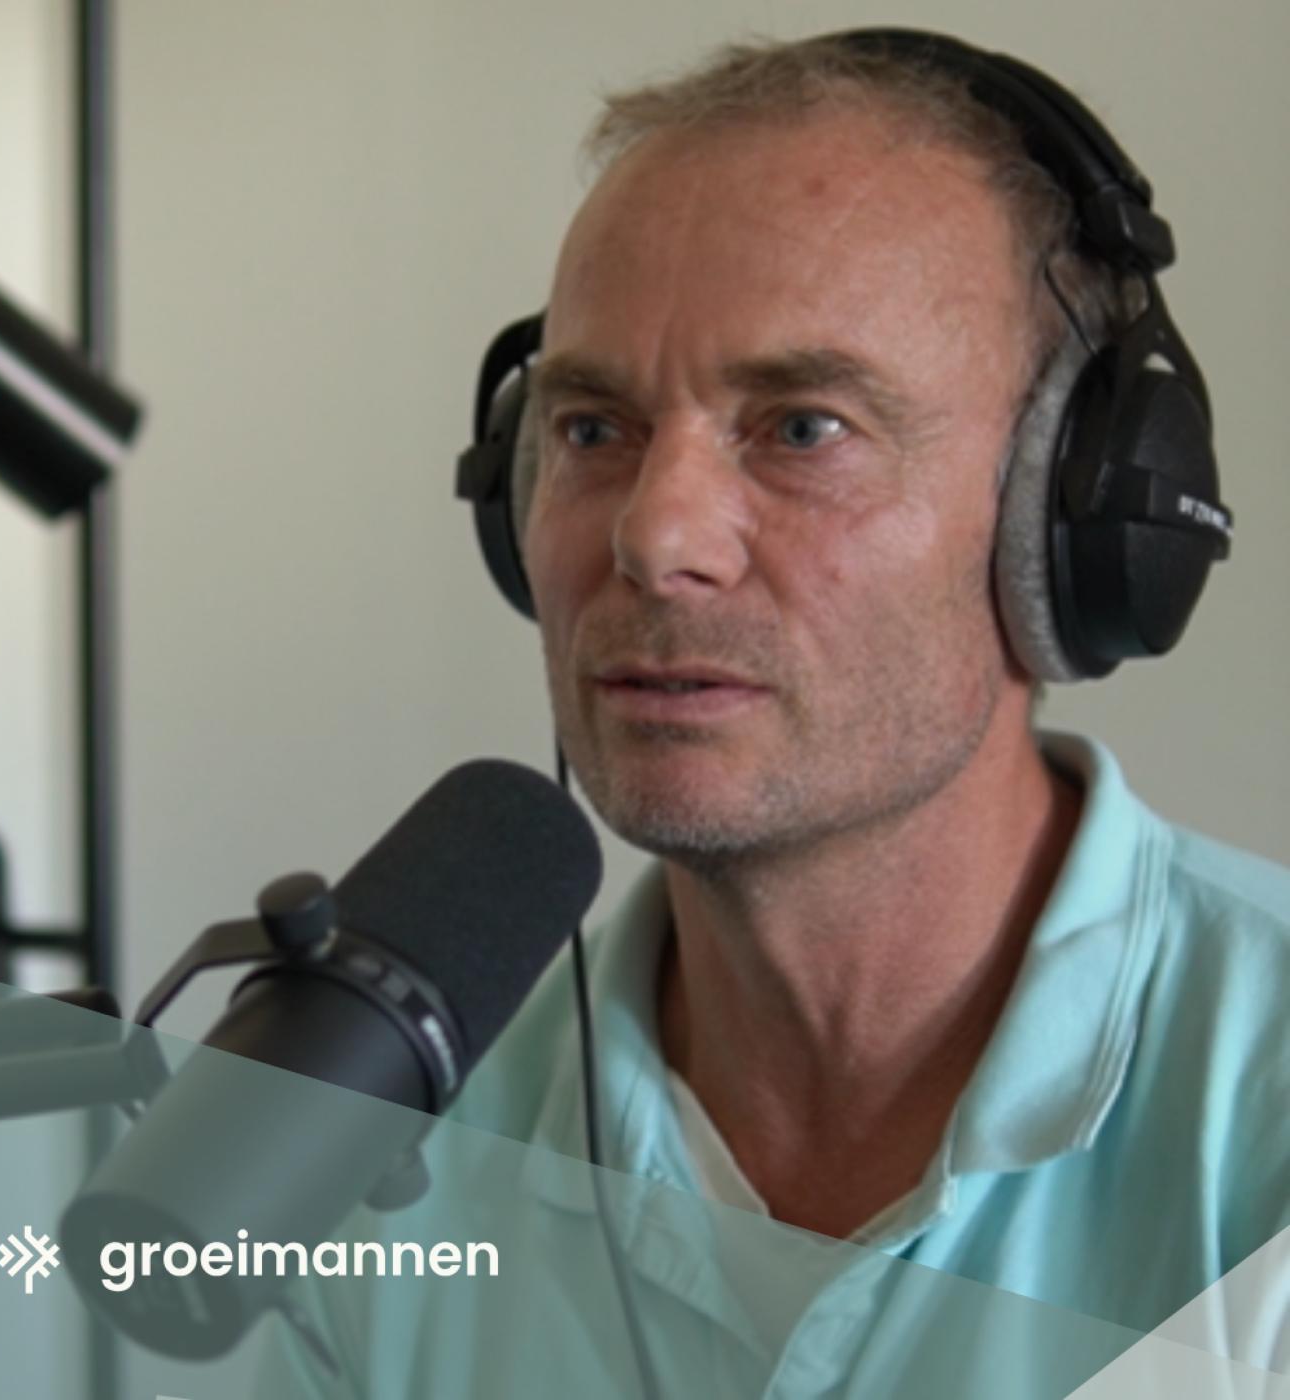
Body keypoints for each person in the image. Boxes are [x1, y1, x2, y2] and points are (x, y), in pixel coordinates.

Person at [255, 29, 1288, 1398]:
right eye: (591, 429)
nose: (654, 537)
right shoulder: (391, 1159)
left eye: (804, 427)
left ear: (1072, 520)